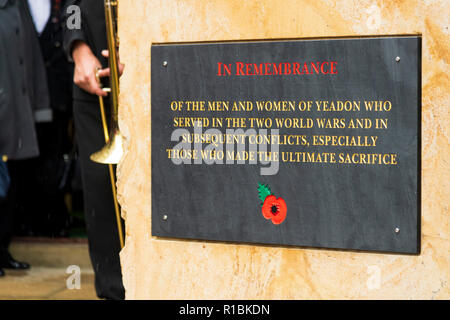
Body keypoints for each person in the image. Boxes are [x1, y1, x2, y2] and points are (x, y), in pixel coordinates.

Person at [63, 0, 125, 299]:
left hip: (160, 73)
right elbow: (72, 7)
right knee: (102, 195)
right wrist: (78, 48)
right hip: (96, 89)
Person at [0, 0, 51, 276]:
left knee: (10, 185)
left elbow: (31, 59)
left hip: (14, 112)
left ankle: (2, 249)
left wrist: (40, 110)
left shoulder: (18, 6)